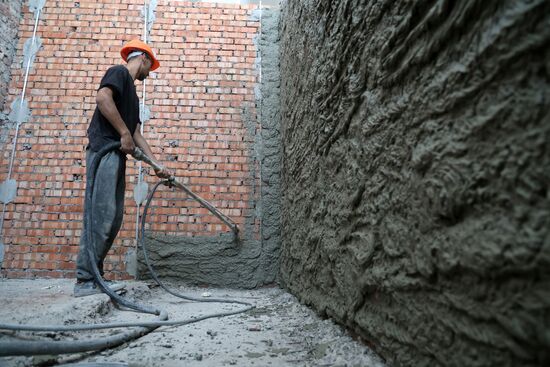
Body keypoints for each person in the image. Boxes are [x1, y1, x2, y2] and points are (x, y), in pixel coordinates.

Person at [74, 39, 173, 297]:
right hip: (103, 150)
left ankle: (95, 277)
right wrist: (122, 133)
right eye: (150, 67)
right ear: (143, 59)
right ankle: (85, 280)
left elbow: (135, 133)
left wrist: (156, 164)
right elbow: (102, 98)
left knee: (113, 216)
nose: (149, 74)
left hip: (116, 155)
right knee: (101, 214)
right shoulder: (118, 73)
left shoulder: (133, 95)